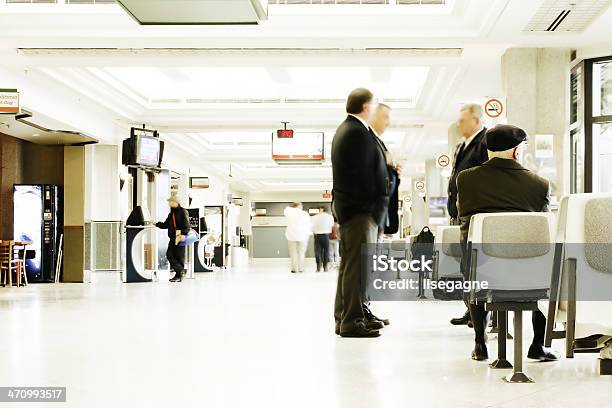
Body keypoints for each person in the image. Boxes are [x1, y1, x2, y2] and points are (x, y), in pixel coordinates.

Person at [456, 124, 559, 362]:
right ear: (516, 152)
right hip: (528, 273)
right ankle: (536, 345)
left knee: (473, 271)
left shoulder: (466, 180)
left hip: (481, 270)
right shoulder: (539, 184)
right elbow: (542, 230)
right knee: (545, 269)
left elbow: (462, 217)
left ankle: (480, 343)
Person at [332, 88, 390, 338]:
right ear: (366, 107)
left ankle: (346, 316)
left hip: (355, 210)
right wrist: (374, 206)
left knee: (351, 267)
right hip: (359, 211)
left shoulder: (351, 130)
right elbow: (364, 176)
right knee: (356, 268)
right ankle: (351, 321)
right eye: (375, 105)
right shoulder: (355, 132)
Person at [448, 103, 488, 327]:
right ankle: (470, 309)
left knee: (477, 266)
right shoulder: (461, 146)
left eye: (463, 119)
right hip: (462, 213)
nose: (459, 123)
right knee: (465, 266)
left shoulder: (484, 142)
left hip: (476, 212)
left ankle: (482, 314)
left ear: (476, 120)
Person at [155, 195, 190, 282]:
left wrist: (184, 234)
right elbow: (166, 225)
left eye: (171, 202)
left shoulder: (182, 211)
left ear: (176, 202)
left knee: (178, 256)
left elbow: (187, 225)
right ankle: (180, 271)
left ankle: (179, 275)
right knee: (170, 254)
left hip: (179, 236)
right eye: (169, 202)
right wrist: (156, 223)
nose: (169, 203)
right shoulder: (172, 213)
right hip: (173, 237)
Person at [284, 202, 311, 274]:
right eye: (301, 206)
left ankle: (294, 269)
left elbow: (286, 209)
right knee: (301, 253)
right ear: (298, 206)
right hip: (303, 236)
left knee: (293, 253)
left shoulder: (289, 212)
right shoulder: (304, 214)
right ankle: (301, 268)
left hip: (291, 236)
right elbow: (308, 224)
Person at [311, 207, 335, 272]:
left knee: (317, 251)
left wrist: (314, 231)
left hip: (317, 236)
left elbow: (312, 226)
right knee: (326, 252)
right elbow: (332, 225)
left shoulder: (315, 217)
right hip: (326, 236)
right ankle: (325, 267)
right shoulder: (330, 217)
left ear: (320, 210)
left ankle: (318, 267)